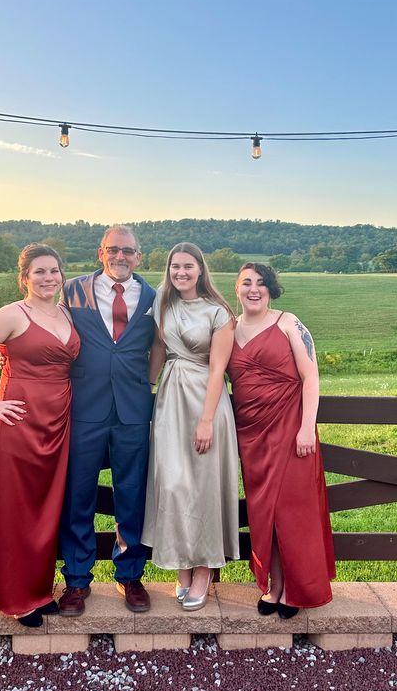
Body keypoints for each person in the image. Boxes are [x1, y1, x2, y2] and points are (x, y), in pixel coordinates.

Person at [0, 243, 79, 627]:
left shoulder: (66, 314)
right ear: (24, 278)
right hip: (18, 422)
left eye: (54, 271)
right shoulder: (11, 314)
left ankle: (39, 590)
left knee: (45, 508)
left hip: (58, 421)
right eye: (39, 272)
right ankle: (16, 596)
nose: (48, 278)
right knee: (16, 507)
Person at [56, 225, 156, 616]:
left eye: (128, 251)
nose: (121, 257)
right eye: (114, 249)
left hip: (133, 410)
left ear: (139, 256)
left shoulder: (153, 296)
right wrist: (4, 349)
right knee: (77, 495)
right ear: (101, 252)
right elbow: (36, 321)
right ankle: (77, 581)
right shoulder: (72, 290)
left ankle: (129, 575)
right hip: (85, 408)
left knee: (131, 494)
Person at [227, 262, 335, 618]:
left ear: (271, 289)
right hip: (251, 435)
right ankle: (273, 586)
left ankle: (296, 589)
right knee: (263, 515)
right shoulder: (228, 328)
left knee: (292, 511)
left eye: (261, 283)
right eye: (246, 283)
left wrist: (307, 427)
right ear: (237, 289)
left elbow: (311, 377)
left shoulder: (289, 322)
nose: (253, 289)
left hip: (291, 429)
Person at [142, 242, 240, 611]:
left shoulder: (219, 312)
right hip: (170, 400)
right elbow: (156, 350)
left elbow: (218, 369)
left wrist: (206, 421)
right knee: (172, 482)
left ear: (200, 270)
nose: (180, 272)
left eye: (188, 266)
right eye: (174, 267)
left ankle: (203, 571)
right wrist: (146, 389)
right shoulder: (162, 305)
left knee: (203, 486)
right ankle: (180, 564)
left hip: (206, 400)